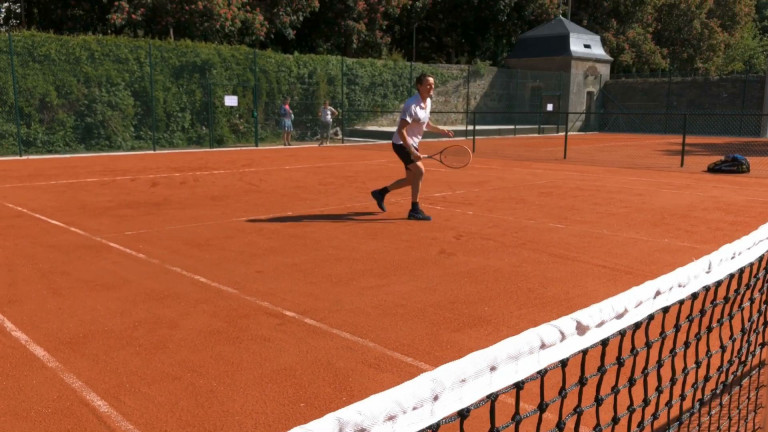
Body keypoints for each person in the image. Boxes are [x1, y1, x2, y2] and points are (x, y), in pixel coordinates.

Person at [370, 73, 454, 221]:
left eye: (433, 84)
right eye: (428, 84)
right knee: (420, 171)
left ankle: (381, 193)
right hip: (401, 143)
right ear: (419, 86)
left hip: (412, 144)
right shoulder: (411, 105)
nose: (431, 87)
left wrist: (441, 130)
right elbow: (400, 130)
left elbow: (426, 124)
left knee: (411, 179)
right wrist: (411, 150)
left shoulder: (427, 102)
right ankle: (414, 210)